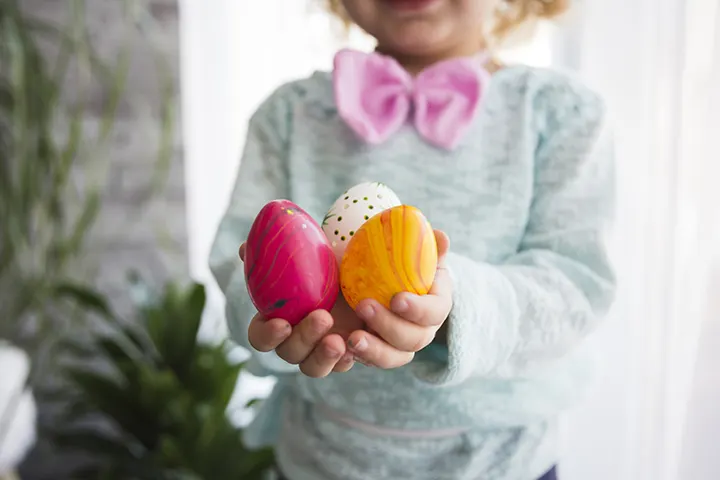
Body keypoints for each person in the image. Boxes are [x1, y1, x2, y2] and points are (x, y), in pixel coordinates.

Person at [209, 0, 616, 478]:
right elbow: (240, 266)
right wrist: (277, 308)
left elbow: (574, 287)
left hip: (503, 462)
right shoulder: (289, 115)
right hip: (320, 460)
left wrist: (451, 302)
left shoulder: (560, 113)